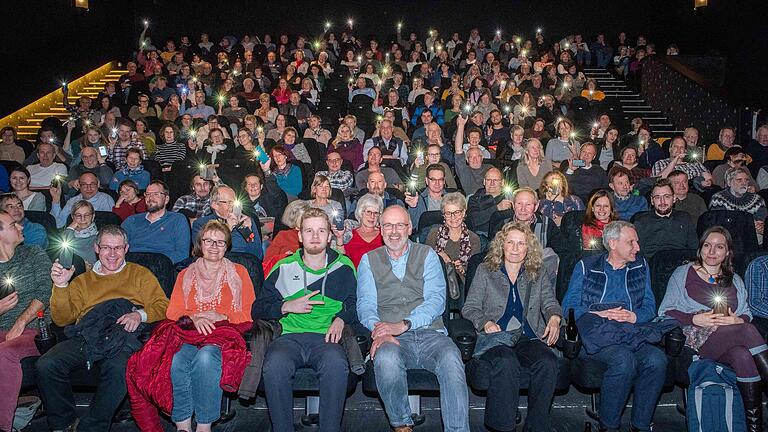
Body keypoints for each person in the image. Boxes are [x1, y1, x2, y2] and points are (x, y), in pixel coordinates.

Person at [39, 225, 169, 432]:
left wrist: (139, 314)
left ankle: (92, 427)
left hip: (122, 333)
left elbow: (163, 306)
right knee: (47, 364)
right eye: (107, 248)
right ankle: (64, 424)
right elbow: (63, 319)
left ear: (126, 249)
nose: (112, 254)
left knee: (118, 368)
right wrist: (61, 286)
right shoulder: (82, 280)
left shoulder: (139, 274)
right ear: (96, 248)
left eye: (118, 248)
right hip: (88, 333)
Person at [357, 205, 470, 432]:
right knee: (386, 358)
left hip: (430, 333)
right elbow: (365, 306)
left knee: (451, 358)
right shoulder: (368, 260)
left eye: (400, 225)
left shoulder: (427, 254)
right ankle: (402, 425)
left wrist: (404, 324)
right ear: (380, 229)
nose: (394, 231)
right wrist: (379, 330)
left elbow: (436, 301)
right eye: (388, 225)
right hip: (391, 336)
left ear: (409, 228)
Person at [253, 208, 358, 432]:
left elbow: (356, 304)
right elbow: (258, 309)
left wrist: (341, 319)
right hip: (289, 337)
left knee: (336, 365)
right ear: (300, 236)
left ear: (330, 235)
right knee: (274, 366)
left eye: (321, 230)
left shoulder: (345, 267)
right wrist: (285, 306)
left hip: (326, 338)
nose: (315, 236)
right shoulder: (282, 267)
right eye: (309, 230)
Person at [659, 226, 768, 431]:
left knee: (742, 356)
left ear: (727, 252)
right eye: (707, 246)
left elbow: (747, 314)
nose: (711, 251)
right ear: (700, 249)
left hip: (730, 339)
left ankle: (755, 427)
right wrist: (694, 318)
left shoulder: (734, 278)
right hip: (698, 339)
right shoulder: (683, 273)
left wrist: (738, 320)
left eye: (719, 247)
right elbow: (665, 311)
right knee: (748, 331)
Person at [562, 221, 666, 432]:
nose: (637, 247)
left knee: (657, 360)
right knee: (623, 360)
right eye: (631, 242)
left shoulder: (640, 266)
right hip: (597, 334)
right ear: (612, 243)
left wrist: (633, 316)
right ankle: (609, 426)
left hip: (630, 331)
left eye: (637, 242)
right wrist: (595, 313)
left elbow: (649, 306)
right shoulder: (586, 266)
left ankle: (641, 425)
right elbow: (569, 307)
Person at [462, 221, 561, 432]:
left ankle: (536, 427)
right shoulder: (485, 270)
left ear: (528, 247)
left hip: (528, 336)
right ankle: (503, 428)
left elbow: (549, 301)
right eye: (510, 243)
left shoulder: (537, 271)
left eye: (521, 244)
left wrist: (554, 317)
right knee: (506, 362)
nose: (515, 249)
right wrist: (485, 322)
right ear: (502, 245)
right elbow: (469, 307)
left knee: (548, 362)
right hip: (497, 336)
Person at [165, 220, 255, 432]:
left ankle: (204, 426)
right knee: (178, 360)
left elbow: (248, 313)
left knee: (206, 358)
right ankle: (183, 426)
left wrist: (221, 315)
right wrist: (194, 318)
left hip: (224, 335)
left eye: (220, 242)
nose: (214, 247)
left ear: (227, 246)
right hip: (191, 334)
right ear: (200, 244)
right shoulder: (185, 274)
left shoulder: (240, 273)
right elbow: (172, 312)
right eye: (209, 241)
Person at [0, 210, 52, 432]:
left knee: (4, 353)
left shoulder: (34, 253)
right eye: (14, 225)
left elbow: (45, 291)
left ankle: (4, 426)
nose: (21, 227)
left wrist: (20, 323)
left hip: (32, 330)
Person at [122, 180, 191, 264]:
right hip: (133, 266)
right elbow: (117, 247)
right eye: (148, 194)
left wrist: (155, 263)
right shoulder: (131, 220)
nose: (150, 198)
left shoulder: (177, 220)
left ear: (166, 199)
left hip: (161, 267)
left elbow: (182, 254)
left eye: (156, 194)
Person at [192, 185, 262, 259]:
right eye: (228, 202)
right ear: (215, 205)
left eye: (234, 202)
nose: (232, 206)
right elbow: (204, 254)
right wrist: (228, 229)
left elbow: (258, 256)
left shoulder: (245, 221)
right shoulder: (202, 224)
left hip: (247, 266)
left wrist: (250, 233)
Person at [491, 187, 568, 254]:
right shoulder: (503, 225)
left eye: (528, 205)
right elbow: (494, 252)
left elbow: (561, 251)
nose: (523, 209)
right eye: (519, 203)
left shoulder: (547, 225)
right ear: (513, 205)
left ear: (536, 206)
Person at [425, 192, 481, 279]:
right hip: (438, 279)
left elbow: (474, 272)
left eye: (457, 212)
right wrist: (440, 260)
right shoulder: (433, 234)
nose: (453, 217)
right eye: (448, 213)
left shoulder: (474, 239)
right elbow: (426, 265)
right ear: (443, 215)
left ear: (463, 213)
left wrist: (462, 269)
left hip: (463, 285)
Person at [709, 167, 767, 240]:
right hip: (729, 237)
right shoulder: (718, 199)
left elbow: (763, 219)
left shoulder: (757, 199)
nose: (744, 183)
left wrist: (761, 227)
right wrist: (749, 225)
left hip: (756, 236)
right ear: (729, 182)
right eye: (739, 180)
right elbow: (719, 225)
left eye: (746, 180)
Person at [50, 171, 116, 228]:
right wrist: (56, 200)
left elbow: (111, 226)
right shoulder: (72, 201)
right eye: (84, 184)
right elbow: (59, 224)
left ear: (98, 184)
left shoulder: (106, 199)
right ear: (79, 185)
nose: (88, 188)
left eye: (92, 184)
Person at [340, 193, 383, 267]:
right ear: (361, 212)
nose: (372, 216)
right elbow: (343, 262)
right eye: (368, 212)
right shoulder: (350, 235)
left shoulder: (384, 233)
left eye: (376, 213)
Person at [466, 168, 513, 236]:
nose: (492, 183)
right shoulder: (474, 199)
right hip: (480, 237)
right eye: (489, 180)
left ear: (502, 182)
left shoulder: (509, 198)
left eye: (495, 180)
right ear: (484, 182)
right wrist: (496, 208)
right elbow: (473, 221)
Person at [405, 163, 447, 229]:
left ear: (444, 181)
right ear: (427, 181)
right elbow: (413, 227)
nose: (437, 183)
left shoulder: (452, 199)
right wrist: (413, 207)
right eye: (433, 179)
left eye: (440, 179)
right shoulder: (418, 200)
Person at [65, 200, 99, 265]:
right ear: (72, 217)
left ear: (93, 217)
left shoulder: (99, 237)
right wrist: (69, 229)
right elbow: (65, 263)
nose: (82, 219)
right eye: (78, 215)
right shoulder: (67, 235)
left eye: (87, 215)